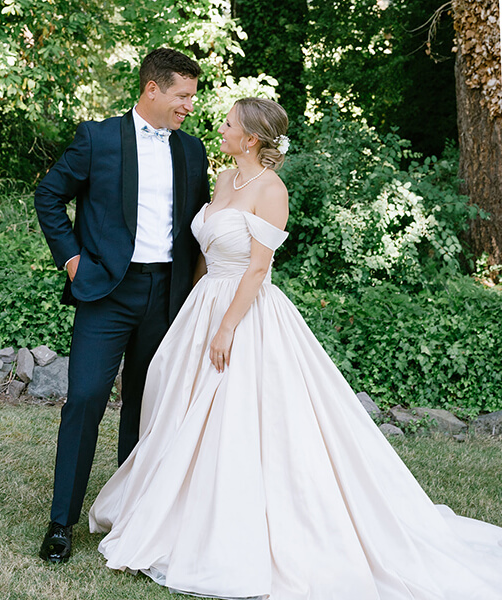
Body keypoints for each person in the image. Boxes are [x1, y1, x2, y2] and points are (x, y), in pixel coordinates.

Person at [88, 97, 502, 599]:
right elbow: (204, 251)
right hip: (203, 305)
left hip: (245, 311)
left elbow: (258, 269)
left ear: (252, 138)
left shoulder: (271, 190)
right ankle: (174, 507)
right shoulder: (223, 180)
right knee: (181, 410)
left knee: (240, 418)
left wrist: (226, 329)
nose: (220, 128)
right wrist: (192, 316)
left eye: (229, 124)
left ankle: (238, 525)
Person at [34, 47, 210, 564]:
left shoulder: (193, 150)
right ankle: (61, 522)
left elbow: (198, 225)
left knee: (145, 406)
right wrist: (71, 261)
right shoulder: (98, 138)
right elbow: (49, 195)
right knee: (85, 398)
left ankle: (132, 518)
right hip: (106, 291)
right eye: (182, 95)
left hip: (167, 294)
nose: (188, 106)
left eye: (192, 98)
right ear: (152, 89)